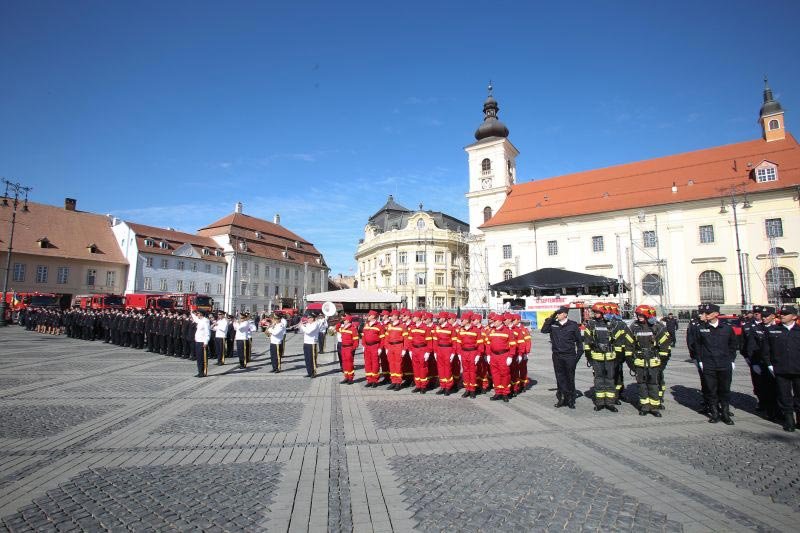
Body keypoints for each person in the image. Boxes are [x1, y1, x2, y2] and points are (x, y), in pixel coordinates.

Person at [693, 303, 738, 424]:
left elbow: (733, 345)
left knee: (724, 390)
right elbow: (697, 345)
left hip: (724, 364)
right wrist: (699, 360)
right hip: (709, 364)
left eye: (708, 313)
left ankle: (725, 413)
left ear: (716, 314)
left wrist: (732, 360)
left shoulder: (727, 328)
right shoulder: (700, 328)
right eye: (705, 313)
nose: (705, 315)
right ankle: (714, 413)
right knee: (711, 389)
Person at [583, 302, 631, 412]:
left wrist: (618, 357)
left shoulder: (613, 324)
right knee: (599, 380)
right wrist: (588, 355)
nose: (595, 314)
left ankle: (610, 402)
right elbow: (587, 340)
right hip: (596, 357)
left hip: (610, 357)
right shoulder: (591, 324)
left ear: (603, 312)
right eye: (594, 312)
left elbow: (619, 342)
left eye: (597, 312)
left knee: (610, 380)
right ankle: (600, 402)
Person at [627, 305, 671, 417]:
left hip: (653, 362)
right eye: (638, 315)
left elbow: (665, 346)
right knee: (642, 385)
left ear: (648, 315)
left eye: (641, 315)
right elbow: (628, 344)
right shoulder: (634, 326)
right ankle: (645, 406)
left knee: (653, 385)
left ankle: (654, 407)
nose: (639, 317)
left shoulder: (658, 327)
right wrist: (630, 362)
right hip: (640, 362)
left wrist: (662, 362)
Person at [762, 304, 800, 432]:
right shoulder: (772, 330)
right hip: (781, 369)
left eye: (785, 314)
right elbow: (766, 350)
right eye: (781, 314)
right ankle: (789, 420)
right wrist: (769, 365)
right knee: (784, 396)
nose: (782, 316)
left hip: (798, 369)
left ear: (794, 317)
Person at [541, 306, 582, 409]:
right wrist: (552, 316)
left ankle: (571, 399)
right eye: (557, 313)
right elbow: (544, 330)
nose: (558, 315)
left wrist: (576, 358)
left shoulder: (573, 325)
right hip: (557, 356)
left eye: (559, 313)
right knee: (560, 378)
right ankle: (562, 398)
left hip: (569, 356)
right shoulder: (554, 324)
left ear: (565, 314)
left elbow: (579, 342)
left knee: (570, 378)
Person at [747, 306, 778, 420]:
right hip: (762, 363)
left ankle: (780, 411)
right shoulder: (756, 329)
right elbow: (751, 347)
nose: (763, 318)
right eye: (762, 316)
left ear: (773, 316)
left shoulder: (778, 328)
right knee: (766, 388)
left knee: (779, 389)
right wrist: (753, 363)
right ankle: (770, 411)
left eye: (766, 316)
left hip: (777, 364)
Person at [484, 312, 516, 402]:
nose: (493, 322)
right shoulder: (491, 331)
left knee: (505, 374)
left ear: (500, 321)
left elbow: (513, 345)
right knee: (495, 374)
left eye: (494, 321)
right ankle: (498, 392)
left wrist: (510, 356)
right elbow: (488, 343)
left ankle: (505, 393)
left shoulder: (508, 331)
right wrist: (488, 355)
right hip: (494, 355)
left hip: (504, 355)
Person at [456, 312, 484, 399]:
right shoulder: (461, 330)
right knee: (465, 371)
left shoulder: (476, 330)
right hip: (464, 352)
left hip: (473, 352)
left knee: (472, 372)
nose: (461, 322)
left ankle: (472, 390)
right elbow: (458, 343)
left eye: (462, 320)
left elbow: (480, 344)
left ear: (467, 320)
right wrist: (459, 353)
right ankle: (467, 389)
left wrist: (478, 355)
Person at [406, 312, 433, 393]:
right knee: (416, 368)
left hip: (422, 349)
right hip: (414, 349)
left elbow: (429, 341)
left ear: (418, 318)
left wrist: (428, 352)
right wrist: (410, 350)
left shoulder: (426, 328)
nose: (412, 318)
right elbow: (410, 340)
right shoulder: (412, 327)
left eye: (414, 317)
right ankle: (418, 385)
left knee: (423, 368)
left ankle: (423, 386)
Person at [433, 312, 457, 395]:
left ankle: (448, 387)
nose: (437, 320)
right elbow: (435, 341)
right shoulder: (437, 328)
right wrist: (435, 352)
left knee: (447, 369)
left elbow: (454, 341)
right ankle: (442, 386)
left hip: (447, 349)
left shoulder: (451, 328)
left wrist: (453, 353)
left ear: (444, 318)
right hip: (439, 349)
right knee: (440, 368)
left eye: (439, 318)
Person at [382, 311, 407, 390]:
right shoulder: (389, 326)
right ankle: (393, 381)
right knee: (391, 364)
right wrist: (386, 347)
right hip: (390, 346)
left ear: (396, 316)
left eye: (392, 316)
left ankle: (398, 382)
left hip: (398, 346)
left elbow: (406, 339)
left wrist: (404, 349)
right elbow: (386, 337)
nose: (391, 317)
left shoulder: (403, 326)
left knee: (398, 365)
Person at [361, 310, 385, 387]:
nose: (368, 316)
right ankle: (369, 380)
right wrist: (363, 345)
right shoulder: (366, 325)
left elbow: (382, 338)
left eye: (369, 315)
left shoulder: (379, 326)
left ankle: (375, 380)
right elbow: (364, 336)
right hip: (367, 347)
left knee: (375, 363)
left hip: (375, 346)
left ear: (373, 316)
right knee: (367, 363)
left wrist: (380, 348)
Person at [337, 315, 359, 384]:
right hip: (343, 347)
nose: (344, 321)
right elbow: (337, 328)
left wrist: (353, 348)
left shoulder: (353, 328)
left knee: (349, 363)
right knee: (344, 363)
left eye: (345, 320)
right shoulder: (343, 328)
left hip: (349, 348)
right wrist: (339, 321)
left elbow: (356, 340)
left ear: (348, 320)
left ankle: (350, 378)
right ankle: (346, 377)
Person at [191, 311, 211, 378]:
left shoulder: (206, 321)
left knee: (203, 358)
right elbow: (195, 318)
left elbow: (207, 332)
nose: (197, 315)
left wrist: (206, 342)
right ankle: (200, 372)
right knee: (199, 358)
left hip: (203, 342)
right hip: (198, 341)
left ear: (201, 314)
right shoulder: (200, 320)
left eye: (198, 313)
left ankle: (203, 372)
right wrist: (191, 311)